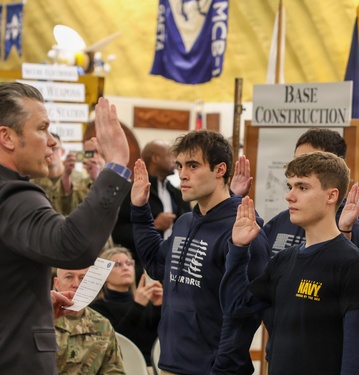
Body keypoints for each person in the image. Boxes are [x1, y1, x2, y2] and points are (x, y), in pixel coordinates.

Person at [0, 82, 130, 374]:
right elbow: (73, 246)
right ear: (7, 137)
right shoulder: (13, 194)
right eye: (42, 129)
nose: (53, 142)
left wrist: (29, 303)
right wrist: (117, 166)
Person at [221, 151, 359, 375]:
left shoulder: (352, 265)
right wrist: (238, 249)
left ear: (331, 196)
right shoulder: (284, 260)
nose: (290, 196)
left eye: (302, 187)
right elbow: (235, 306)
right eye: (290, 186)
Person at [130, 130, 271, 375]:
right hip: (171, 363)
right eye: (180, 166)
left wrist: (222, 368)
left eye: (193, 166)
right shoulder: (186, 222)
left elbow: (246, 312)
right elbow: (156, 265)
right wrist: (140, 210)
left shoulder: (243, 229)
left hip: (213, 370)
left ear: (219, 170)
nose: (182, 174)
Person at [253, 128, 359, 256]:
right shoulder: (283, 219)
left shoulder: (352, 228)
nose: (299, 167)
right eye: (297, 160)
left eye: (310, 161)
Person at [112, 139, 191, 280]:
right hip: (141, 266)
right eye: (170, 155)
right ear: (155, 158)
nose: (175, 160)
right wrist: (154, 225)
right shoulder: (131, 191)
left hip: (174, 265)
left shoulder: (176, 192)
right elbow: (117, 232)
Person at [90, 247, 162, 367]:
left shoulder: (146, 301)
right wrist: (138, 306)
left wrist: (159, 307)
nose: (125, 267)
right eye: (117, 264)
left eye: (129, 263)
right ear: (104, 274)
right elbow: (116, 342)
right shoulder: (97, 307)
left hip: (154, 364)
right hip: (122, 366)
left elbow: (158, 340)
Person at [54, 267, 125, 374]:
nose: (76, 284)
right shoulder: (40, 320)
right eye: (69, 277)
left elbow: (114, 370)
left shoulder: (102, 325)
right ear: (57, 283)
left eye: (83, 279)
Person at [32, 133, 90, 215]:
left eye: (54, 148)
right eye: (45, 148)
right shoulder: (34, 182)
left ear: (62, 151)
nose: (49, 152)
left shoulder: (81, 178)